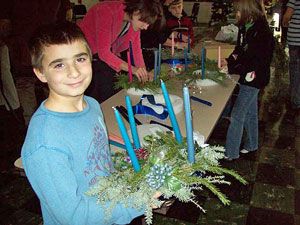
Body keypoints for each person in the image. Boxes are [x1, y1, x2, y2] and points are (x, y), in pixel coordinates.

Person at [21, 21, 156, 225]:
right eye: (59, 64)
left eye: (80, 59)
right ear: (40, 73)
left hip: (110, 209)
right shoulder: (45, 142)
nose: (74, 72)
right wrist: (138, 202)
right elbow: (73, 216)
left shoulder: (91, 105)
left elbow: (96, 161)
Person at [78, 0, 163, 103]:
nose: (145, 27)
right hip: (83, 53)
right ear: (136, 12)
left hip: (100, 56)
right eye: (145, 22)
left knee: (113, 86)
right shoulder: (106, 10)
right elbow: (103, 53)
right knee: (104, 91)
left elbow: (136, 49)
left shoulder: (132, 19)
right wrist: (133, 69)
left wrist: (143, 72)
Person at [220, 0, 274, 160]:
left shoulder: (262, 32)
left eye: (238, 11)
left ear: (247, 11)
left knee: (237, 115)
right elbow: (239, 49)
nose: (236, 14)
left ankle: (231, 153)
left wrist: (232, 68)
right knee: (250, 112)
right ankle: (252, 144)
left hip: (254, 79)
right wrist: (229, 61)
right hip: (246, 77)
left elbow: (256, 62)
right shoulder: (245, 27)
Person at [283, 0, 300, 116]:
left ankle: (295, 101)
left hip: (295, 39)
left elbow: (288, 15)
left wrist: (285, 22)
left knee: (295, 71)